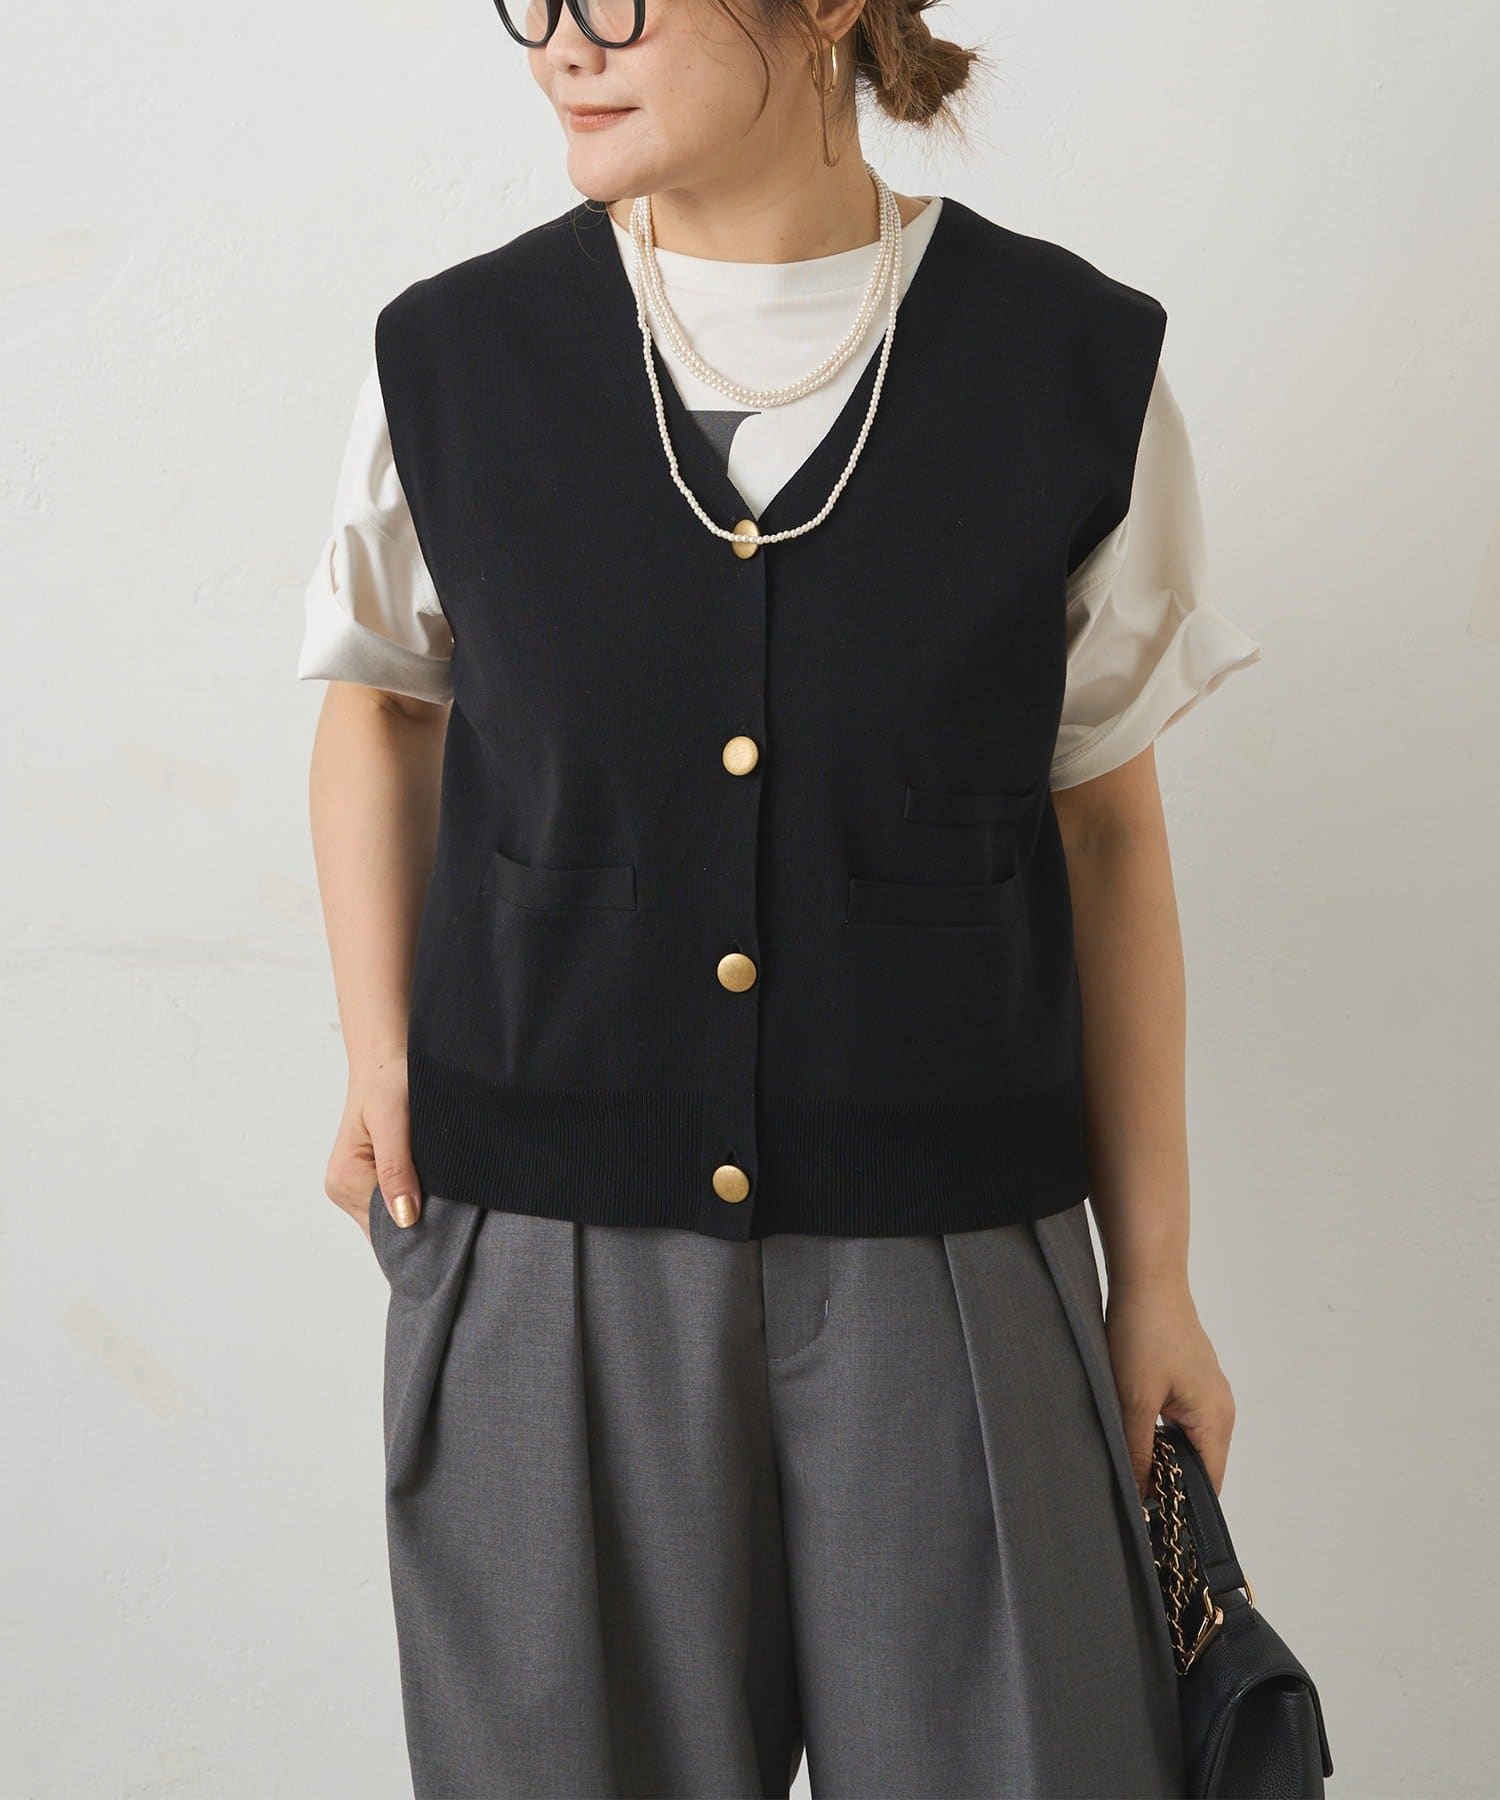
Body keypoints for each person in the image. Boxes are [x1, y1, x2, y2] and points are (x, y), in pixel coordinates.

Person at [298, 2, 1261, 1794]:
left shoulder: (1070, 363)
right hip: (546, 1256)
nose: (561, 45)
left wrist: (1157, 1284)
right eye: (533, 0)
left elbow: (1109, 835)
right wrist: (380, 1053)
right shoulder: (453, 359)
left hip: (959, 1253)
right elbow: (381, 711)